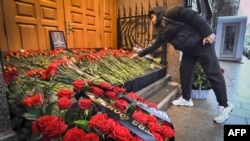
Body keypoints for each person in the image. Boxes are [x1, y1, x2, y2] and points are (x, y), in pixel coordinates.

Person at [130, 6, 234, 124]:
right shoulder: (163, 32)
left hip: (201, 44)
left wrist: (208, 32)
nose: (152, 20)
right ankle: (186, 99)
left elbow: (194, 16)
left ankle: (224, 105)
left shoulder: (172, 13)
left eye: (152, 17)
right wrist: (139, 54)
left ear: (157, 13)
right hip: (189, 50)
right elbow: (154, 45)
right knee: (185, 71)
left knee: (213, 73)